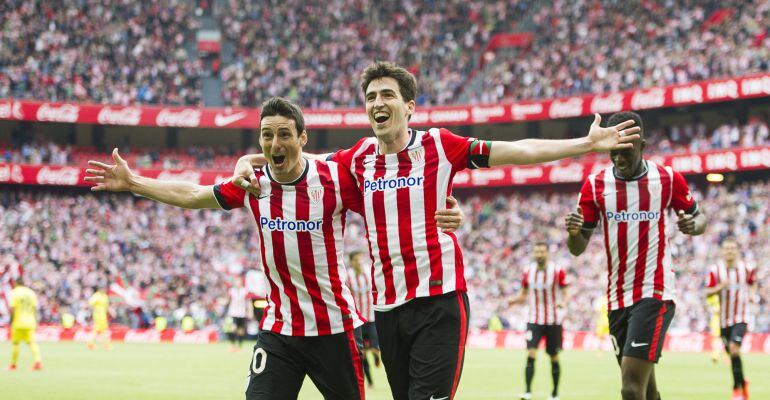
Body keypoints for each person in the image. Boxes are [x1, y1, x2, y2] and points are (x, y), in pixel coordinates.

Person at [233, 61, 640, 400]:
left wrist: (583, 146)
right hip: (387, 309)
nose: (378, 102)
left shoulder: (440, 146)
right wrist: (245, 162)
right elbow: (290, 158)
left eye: (387, 95)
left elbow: (515, 151)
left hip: (439, 300)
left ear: (409, 107)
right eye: (371, 97)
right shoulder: (355, 159)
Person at [86, 96, 463, 400]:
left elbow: (393, 198)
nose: (274, 143)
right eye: (267, 135)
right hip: (279, 329)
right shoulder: (254, 184)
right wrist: (135, 181)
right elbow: (194, 194)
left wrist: (448, 210)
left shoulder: (334, 180)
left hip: (334, 328)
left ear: (302, 139)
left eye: (284, 134)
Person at [564, 111, 707, 400]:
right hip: (617, 299)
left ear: (642, 145)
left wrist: (693, 226)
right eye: (613, 153)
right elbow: (577, 249)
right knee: (647, 390)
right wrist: (573, 232)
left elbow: (699, 218)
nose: (619, 159)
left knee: (630, 385)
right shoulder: (594, 185)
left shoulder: (667, 179)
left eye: (626, 152)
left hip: (654, 293)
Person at [509, 243, 569, 400]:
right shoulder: (528, 271)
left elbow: (565, 292)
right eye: (537, 252)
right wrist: (513, 301)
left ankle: (555, 393)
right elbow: (523, 295)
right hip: (534, 319)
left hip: (553, 320)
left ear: (547, 253)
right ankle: (528, 392)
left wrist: (564, 302)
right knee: (531, 353)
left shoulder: (557, 271)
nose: (539, 254)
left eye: (542, 251)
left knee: (553, 355)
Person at [705, 237, 757, 400]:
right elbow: (707, 292)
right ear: (722, 251)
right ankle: (743, 382)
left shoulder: (746, 268)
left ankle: (736, 389)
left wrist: (752, 295)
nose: (729, 251)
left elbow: (753, 282)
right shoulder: (716, 270)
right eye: (727, 248)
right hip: (723, 320)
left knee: (734, 348)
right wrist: (721, 287)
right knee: (732, 354)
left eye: (732, 248)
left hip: (741, 316)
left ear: (737, 250)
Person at [347, 250, 381, 389]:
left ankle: (377, 355)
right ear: (351, 261)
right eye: (356, 260)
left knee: (374, 348)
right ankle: (370, 382)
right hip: (357, 320)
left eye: (360, 259)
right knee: (361, 353)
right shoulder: (348, 276)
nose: (358, 262)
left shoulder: (368, 271)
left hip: (371, 318)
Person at [7, 277, 42, 371]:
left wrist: (10, 322)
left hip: (18, 322)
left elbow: (13, 309)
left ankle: (13, 365)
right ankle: (37, 361)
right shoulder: (31, 293)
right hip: (30, 322)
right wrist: (36, 321)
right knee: (32, 343)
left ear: (15, 283)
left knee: (15, 344)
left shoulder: (14, 292)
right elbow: (35, 309)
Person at [225, 277, 249, 352]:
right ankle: (232, 345)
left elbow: (248, 302)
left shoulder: (245, 291)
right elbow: (228, 300)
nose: (237, 283)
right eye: (236, 281)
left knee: (241, 330)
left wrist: (249, 311)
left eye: (239, 281)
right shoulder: (231, 291)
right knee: (233, 328)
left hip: (242, 313)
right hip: (233, 312)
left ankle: (239, 346)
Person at [87, 283, 112, 350]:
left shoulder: (105, 296)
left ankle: (91, 344)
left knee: (101, 331)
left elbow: (107, 306)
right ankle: (106, 345)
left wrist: (111, 312)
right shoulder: (96, 296)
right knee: (100, 331)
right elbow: (89, 303)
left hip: (103, 316)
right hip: (98, 316)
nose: (104, 289)